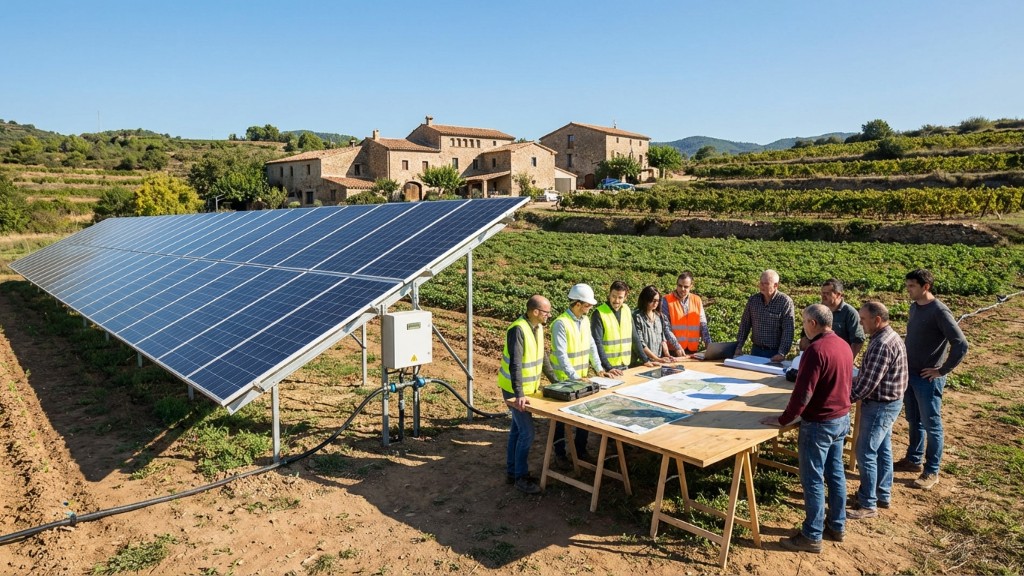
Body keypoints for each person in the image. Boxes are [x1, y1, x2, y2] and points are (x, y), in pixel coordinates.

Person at [761, 304, 853, 553]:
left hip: (819, 423)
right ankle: (837, 525)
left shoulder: (815, 350)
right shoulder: (842, 345)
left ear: (812, 323)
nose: (802, 326)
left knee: (812, 479)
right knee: (835, 475)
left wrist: (783, 419)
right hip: (841, 418)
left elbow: (803, 393)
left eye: (803, 321)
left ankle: (812, 535)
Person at [895, 269, 969, 490]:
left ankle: (932, 471)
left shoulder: (939, 311)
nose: (908, 290)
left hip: (927, 379)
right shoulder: (915, 307)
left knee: (932, 424)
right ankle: (913, 459)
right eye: (907, 285)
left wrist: (942, 370)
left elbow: (961, 344)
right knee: (914, 420)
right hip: (910, 374)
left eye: (912, 286)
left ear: (925, 287)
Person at [847, 301, 908, 519]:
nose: (861, 323)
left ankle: (867, 504)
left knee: (865, 452)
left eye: (863, 319)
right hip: (890, 402)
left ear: (877, 320)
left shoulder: (881, 344)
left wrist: (845, 400)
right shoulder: (891, 337)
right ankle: (882, 494)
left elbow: (867, 384)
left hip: (880, 405)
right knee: (882, 449)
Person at [497, 294, 557, 494]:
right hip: (514, 391)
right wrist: (519, 394)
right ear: (535, 312)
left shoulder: (538, 327)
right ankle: (521, 478)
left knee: (517, 430)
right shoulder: (518, 329)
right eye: (546, 312)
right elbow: (515, 364)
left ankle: (512, 472)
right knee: (527, 433)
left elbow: (543, 358)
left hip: (527, 390)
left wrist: (558, 382)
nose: (548, 315)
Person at [550, 283, 609, 469]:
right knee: (560, 420)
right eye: (586, 305)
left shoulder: (584, 320)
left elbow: (591, 345)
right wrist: (574, 376)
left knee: (584, 415)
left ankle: (580, 449)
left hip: (581, 377)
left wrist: (598, 368)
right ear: (576, 303)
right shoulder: (561, 323)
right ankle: (559, 454)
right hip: (563, 380)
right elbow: (561, 355)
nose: (589, 308)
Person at [735, 269, 795, 362]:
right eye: (761, 283)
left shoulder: (785, 302)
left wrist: (781, 353)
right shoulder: (753, 300)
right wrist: (738, 346)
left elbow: (788, 330)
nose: (762, 286)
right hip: (756, 350)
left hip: (774, 353)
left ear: (775, 285)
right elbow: (745, 325)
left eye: (766, 284)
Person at [798, 279, 865, 357]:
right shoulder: (817, 310)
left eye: (827, 293)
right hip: (818, 355)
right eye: (822, 293)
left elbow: (858, 340)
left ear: (838, 295)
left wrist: (849, 359)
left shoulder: (850, 313)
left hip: (839, 356)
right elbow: (805, 336)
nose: (823, 296)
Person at [661, 272, 712, 355]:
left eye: (686, 287)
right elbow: (666, 327)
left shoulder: (697, 300)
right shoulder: (666, 300)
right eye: (680, 286)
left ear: (691, 286)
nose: (682, 289)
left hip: (692, 348)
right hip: (673, 350)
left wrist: (709, 345)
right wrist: (676, 346)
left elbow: (703, 324)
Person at [633, 285, 685, 365]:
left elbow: (663, 339)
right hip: (643, 362)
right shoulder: (637, 317)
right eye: (652, 300)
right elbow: (640, 343)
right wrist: (657, 359)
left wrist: (667, 355)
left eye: (657, 301)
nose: (655, 303)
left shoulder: (659, 316)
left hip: (657, 360)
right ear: (645, 300)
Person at [591, 281, 632, 377]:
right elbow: (597, 343)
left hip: (625, 364)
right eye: (614, 296)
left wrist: (645, 360)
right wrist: (608, 367)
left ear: (625, 298)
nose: (616, 300)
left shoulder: (626, 310)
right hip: (608, 367)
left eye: (620, 297)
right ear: (609, 294)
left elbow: (634, 336)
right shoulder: (599, 313)